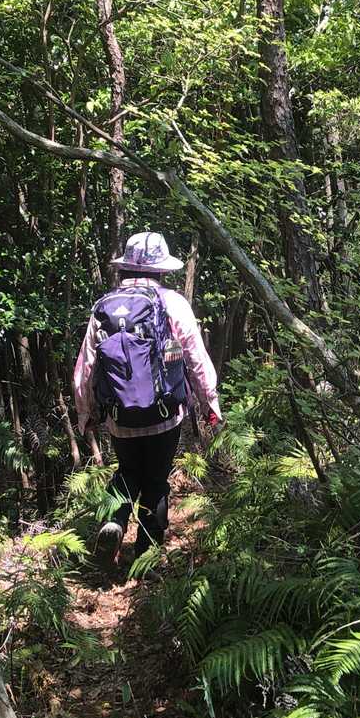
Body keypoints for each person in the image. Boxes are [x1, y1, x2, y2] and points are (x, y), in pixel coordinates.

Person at [72, 231, 222, 567]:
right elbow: (196, 357)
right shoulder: (173, 303)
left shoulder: (104, 306)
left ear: (125, 267)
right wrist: (209, 402)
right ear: (161, 270)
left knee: (127, 471)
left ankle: (114, 521)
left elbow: (85, 367)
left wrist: (86, 412)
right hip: (164, 415)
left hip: (119, 416)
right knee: (155, 481)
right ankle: (145, 558)